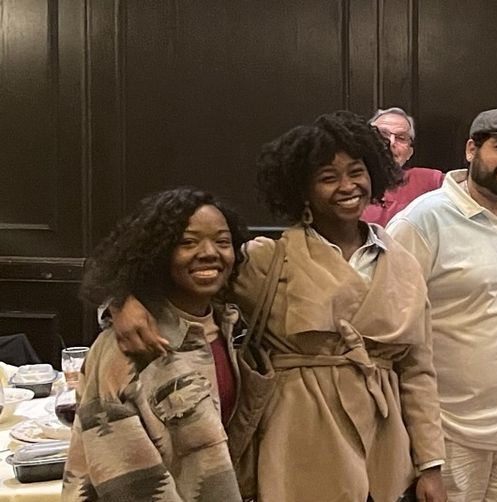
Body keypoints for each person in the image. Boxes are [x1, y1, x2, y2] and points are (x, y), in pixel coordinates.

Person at [108, 112, 451, 501]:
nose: (347, 186)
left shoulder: (403, 263)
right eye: (327, 177)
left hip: (386, 449)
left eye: (356, 172)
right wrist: (124, 298)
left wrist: (430, 466)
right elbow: (178, 275)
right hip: (298, 441)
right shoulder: (267, 260)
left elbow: (418, 372)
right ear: (301, 191)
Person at [388, 108, 497, 500]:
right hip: (447, 438)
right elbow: (388, 333)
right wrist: (422, 453)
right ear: (471, 149)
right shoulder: (421, 222)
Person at [65, 188, 246, 501]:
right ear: (158, 252)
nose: (209, 252)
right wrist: (117, 302)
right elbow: (128, 482)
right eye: (188, 242)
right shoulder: (130, 345)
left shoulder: (230, 325)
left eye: (222, 241)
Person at [363, 107, 447, 226]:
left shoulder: (426, 180)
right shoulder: (349, 180)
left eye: (401, 138)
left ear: (409, 153)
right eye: (382, 134)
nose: (391, 143)